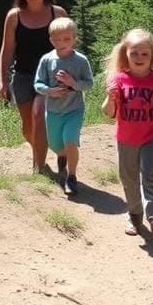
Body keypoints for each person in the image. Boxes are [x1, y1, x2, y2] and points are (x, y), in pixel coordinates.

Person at [102, 28, 153, 238]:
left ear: (152, 55)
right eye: (134, 53)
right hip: (126, 140)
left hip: (151, 138)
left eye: (144, 53)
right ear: (126, 54)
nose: (139, 58)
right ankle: (134, 215)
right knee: (129, 178)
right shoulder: (118, 80)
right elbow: (108, 113)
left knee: (149, 175)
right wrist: (110, 98)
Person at [0, 0, 68, 173]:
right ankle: (47, 152)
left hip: (50, 78)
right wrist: (2, 80)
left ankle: (38, 167)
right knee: (28, 128)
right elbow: (7, 49)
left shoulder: (58, 13)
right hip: (22, 76)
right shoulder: (14, 16)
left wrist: (71, 75)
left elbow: (67, 46)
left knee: (40, 116)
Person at [34, 17, 94, 195]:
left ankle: (72, 177)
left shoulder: (81, 61)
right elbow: (38, 84)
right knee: (56, 145)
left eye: (66, 39)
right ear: (51, 39)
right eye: (57, 39)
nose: (61, 43)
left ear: (75, 38)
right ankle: (62, 159)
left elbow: (89, 84)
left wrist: (72, 82)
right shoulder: (47, 59)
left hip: (74, 110)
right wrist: (50, 91)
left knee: (70, 141)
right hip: (53, 110)